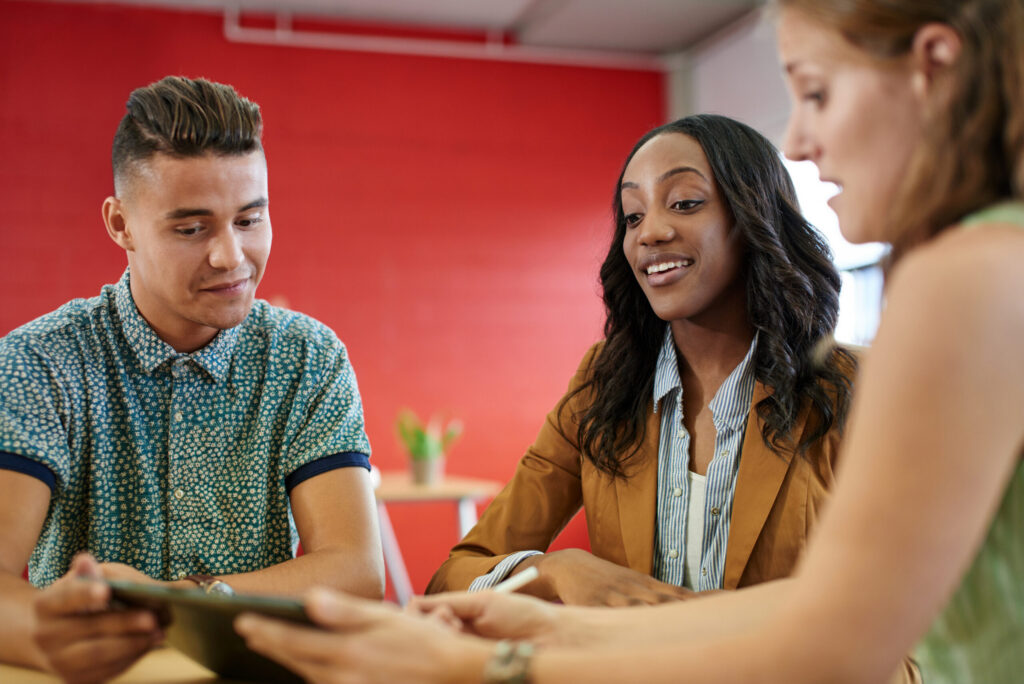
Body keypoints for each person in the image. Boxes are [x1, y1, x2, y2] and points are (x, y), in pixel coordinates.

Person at [235, 0, 1024, 682]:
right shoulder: (605, 386)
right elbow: (817, 612)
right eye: (632, 214)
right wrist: (561, 589)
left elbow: (847, 640)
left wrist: (499, 663)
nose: (802, 138)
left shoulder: (942, 296)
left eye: (816, 90)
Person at [0, 76, 384, 681]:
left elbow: (356, 571)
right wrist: (49, 632)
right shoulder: (41, 363)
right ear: (120, 223)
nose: (231, 256)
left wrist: (175, 601)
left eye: (250, 219)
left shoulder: (309, 356)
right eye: (191, 229)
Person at [427, 113, 857, 607]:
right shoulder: (604, 384)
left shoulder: (853, 388)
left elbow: (906, 634)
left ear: (753, 219)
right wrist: (552, 572)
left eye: (685, 203)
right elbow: (455, 576)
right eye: (633, 216)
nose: (649, 232)